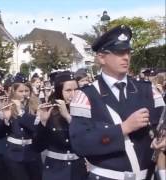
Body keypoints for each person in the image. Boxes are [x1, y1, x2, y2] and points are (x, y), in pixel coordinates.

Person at [69, 25, 165, 180]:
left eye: (128, 52)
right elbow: (80, 144)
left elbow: (162, 126)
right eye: (119, 52)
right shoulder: (85, 95)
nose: (126, 57)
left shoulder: (148, 90)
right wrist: (123, 128)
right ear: (101, 58)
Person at [35, 71, 87, 180]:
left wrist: (68, 117)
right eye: (68, 90)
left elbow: (88, 138)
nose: (73, 94)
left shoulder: (85, 110)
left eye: (76, 90)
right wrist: (43, 123)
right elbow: (37, 146)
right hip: (55, 170)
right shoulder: (49, 110)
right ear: (59, 92)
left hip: (78, 169)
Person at [0, 72, 42, 180]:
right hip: (14, 151)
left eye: (27, 91)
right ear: (14, 92)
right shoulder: (7, 105)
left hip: (32, 151)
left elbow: (35, 127)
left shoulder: (36, 106)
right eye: (20, 91)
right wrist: (5, 120)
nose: (24, 94)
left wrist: (21, 112)